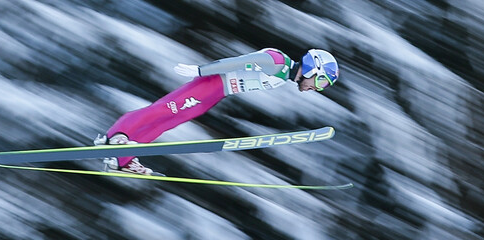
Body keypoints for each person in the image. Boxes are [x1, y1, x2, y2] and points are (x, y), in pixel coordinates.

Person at [94, 48, 340, 175]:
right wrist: (201, 70)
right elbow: (238, 62)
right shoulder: (277, 61)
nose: (316, 88)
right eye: (320, 81)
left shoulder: (283, 75)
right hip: (211, 83)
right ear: (312, 68)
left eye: (323, 87)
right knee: (164, 110)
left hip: (217, 93)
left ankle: (123, 158)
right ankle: (117, 136)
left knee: (169, 121)